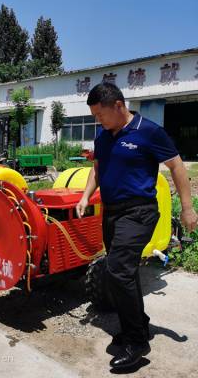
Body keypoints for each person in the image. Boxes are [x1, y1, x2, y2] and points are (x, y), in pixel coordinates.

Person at [76, 82, 197, 370]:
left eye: (100, 114)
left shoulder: (148, 131)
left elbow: (177, 166)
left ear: (118, 106)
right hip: (112, 212)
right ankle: (139, 323)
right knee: (121, 271)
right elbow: (97, 169)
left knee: (118, 269)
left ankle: (136, 342)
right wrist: (85, 195)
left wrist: (188, 209)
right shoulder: (103, 136)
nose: (97, 120)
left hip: (139, 211)